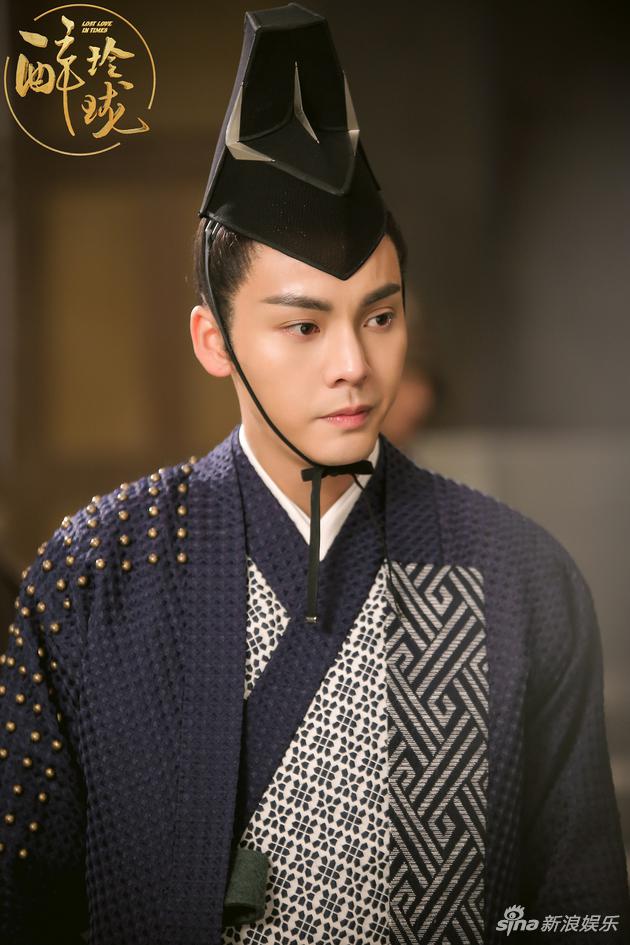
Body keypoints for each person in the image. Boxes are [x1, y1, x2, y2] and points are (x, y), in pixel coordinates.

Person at [1, 4, 628, 944]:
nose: (353, 366)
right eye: (303, 325)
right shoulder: (93, 576)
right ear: (214, 340)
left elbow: (583, 912)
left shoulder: (520, 577)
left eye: (380, 317)